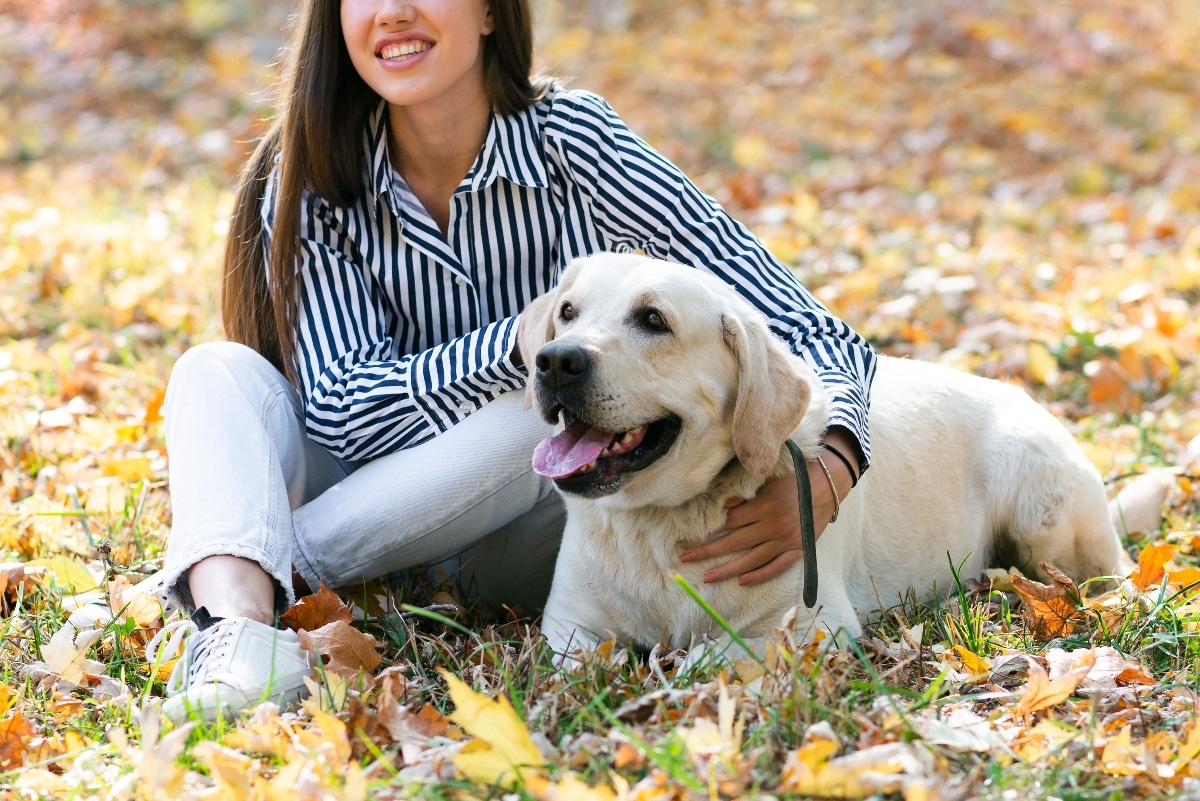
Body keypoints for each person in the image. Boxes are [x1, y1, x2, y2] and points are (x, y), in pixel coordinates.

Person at [152, 0, 876, 721]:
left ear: (493, 13)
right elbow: (343, 409)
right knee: (212, 371)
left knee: (531, 417)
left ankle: (247, 551)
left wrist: (831, 471)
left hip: (524, 517)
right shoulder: (314, 169)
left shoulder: (576, 142)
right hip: (369, 500)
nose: (394, 12)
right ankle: (237, 636)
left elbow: (811, 329)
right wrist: (527, 345)